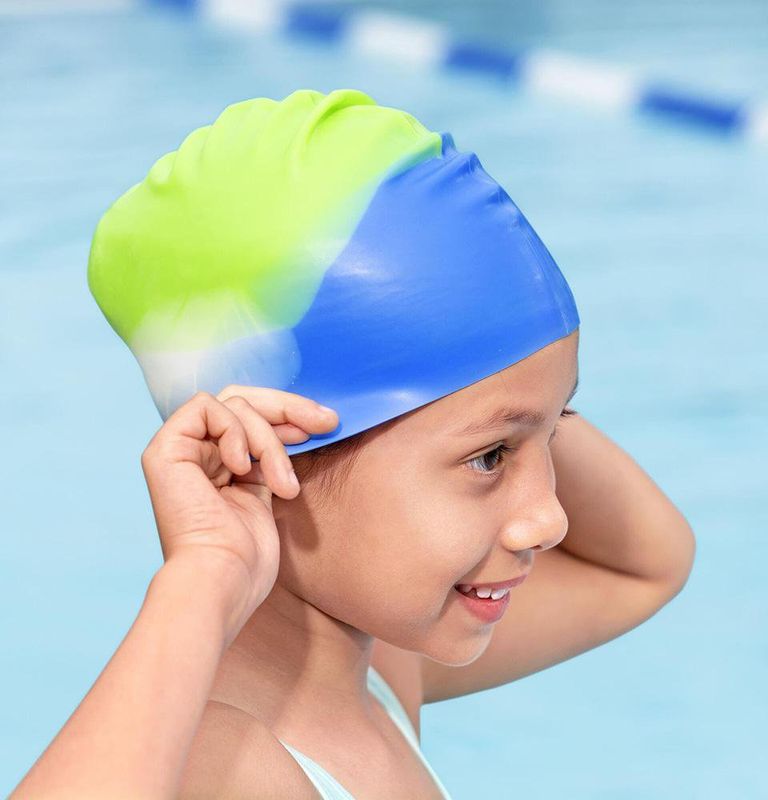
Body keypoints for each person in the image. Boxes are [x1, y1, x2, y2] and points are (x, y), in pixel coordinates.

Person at [11, 90, 696, 799]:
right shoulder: (224, 763)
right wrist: (204, 575)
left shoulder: (380, 676)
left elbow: (642, 568)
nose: (550, 519)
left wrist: (521, 394)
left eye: (560, 428)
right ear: (270, 452)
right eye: (489, 458)